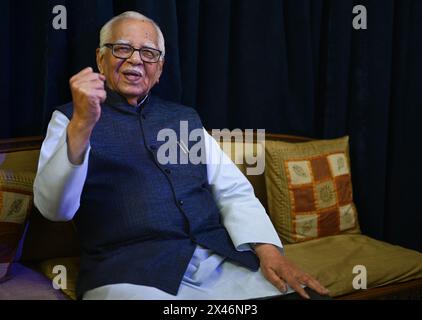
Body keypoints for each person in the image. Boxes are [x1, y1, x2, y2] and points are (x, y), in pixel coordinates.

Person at [34, 11, 330, 300]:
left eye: (148, 53)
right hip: (128, 274)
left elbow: (233, 192)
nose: (135, 59)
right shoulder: (70, 118)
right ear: (101, 58)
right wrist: (83, 124)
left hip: (217, 262)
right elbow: (55, 209)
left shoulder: (184, 119)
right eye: (122, 48)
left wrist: (268, 251)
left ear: (159, 69)